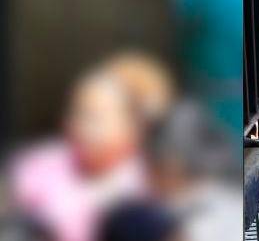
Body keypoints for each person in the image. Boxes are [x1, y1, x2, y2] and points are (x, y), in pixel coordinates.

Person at [9, 53, 173, 241]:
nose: (80, 126)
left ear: (135, 124)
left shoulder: (151, 185)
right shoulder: (39, 167)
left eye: (94, 118)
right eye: (76, 112)